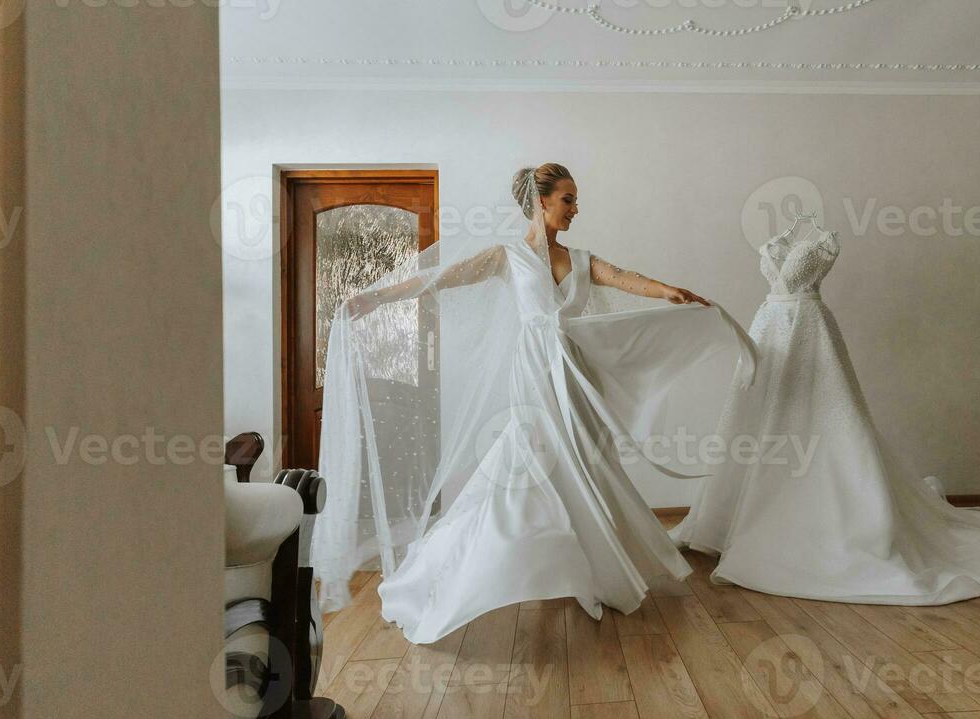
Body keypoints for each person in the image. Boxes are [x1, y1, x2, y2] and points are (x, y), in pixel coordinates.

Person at [311, 163, 756, 643]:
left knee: (584, 462)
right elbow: (441, 278)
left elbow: (624, 277)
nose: (576, 209)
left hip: (577, 375)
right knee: (532, 458)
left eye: (575, 199)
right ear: (540, 201)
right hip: (535, 373)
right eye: (568, 199)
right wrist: (377, 298)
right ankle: (498, 567)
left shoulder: (580, 259)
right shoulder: (506, 257)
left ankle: (583, 566)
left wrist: (667, 290)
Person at [674, 213, 980, 604]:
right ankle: (728, 519)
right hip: (770, 330)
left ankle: (825, 524)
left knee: (824, 427)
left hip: (810, 331)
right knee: (755, 424)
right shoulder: (783, 239)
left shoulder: (823, 240)